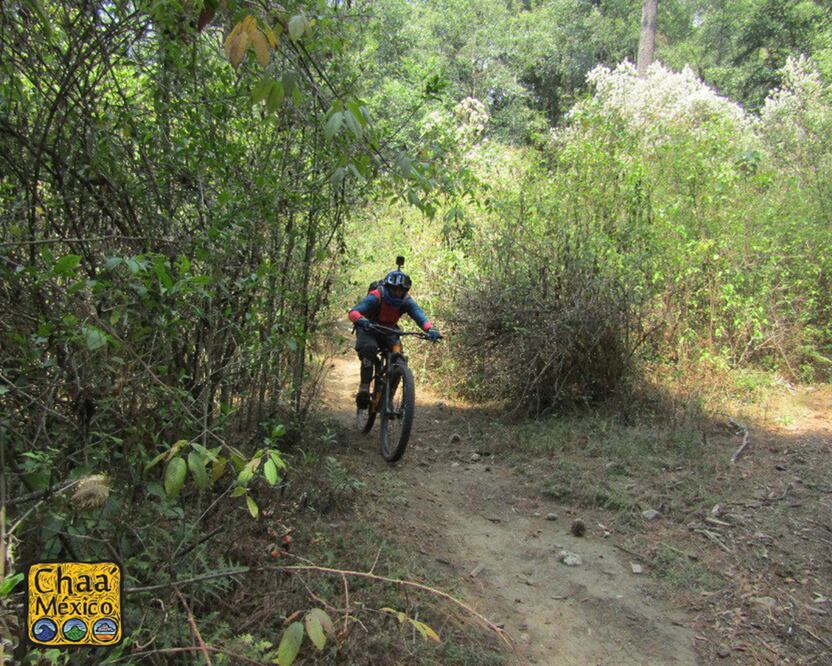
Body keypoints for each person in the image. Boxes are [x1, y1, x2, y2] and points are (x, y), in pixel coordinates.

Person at [347, 269, 441, 407]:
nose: (397, 292)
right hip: (369, 328)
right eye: (394, 289)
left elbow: (419, 315)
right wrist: (361, 320)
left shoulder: (406, 300)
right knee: (369, 348)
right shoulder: (376, 296)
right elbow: (354, 312)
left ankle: (388, 397)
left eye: (401, 290)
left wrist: (430, 329)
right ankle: (364, 387)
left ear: (405, 290)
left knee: (399, 357)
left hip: (389, 331)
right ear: (388, 287)